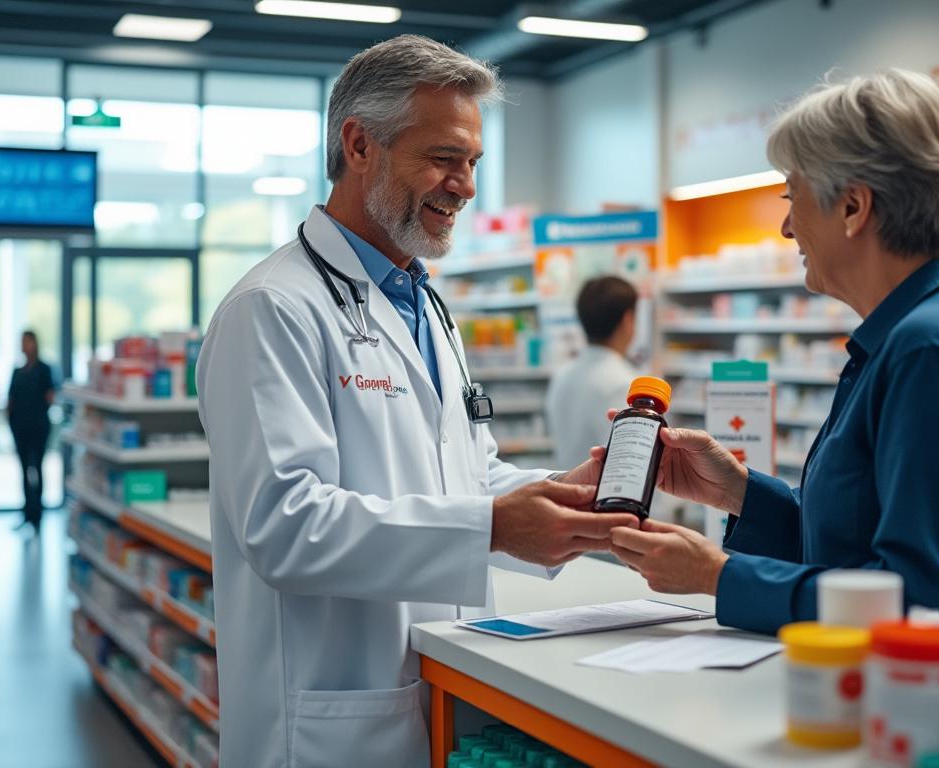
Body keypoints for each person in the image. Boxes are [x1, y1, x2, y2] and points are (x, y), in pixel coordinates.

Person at [197, 35, 638, 768]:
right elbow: (283, 524)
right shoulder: (273, 308)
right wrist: (494, 526)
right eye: (443, 158)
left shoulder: (423, 305)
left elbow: (466, 472)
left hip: (439, 688)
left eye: (471, 164)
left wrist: (558, 496)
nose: (463, 185)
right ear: (359, 143)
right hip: (328, 721)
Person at [607, 69, 939, 635]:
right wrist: (738, 492)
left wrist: (721, 577)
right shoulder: (904, 338)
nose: (788, 227)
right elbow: (858, 544)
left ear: (853, 208)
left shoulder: (933, 349)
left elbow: (921, 597)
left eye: (793, 199)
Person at [546, 276, 639, 470]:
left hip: (566, 490)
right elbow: (631, 465)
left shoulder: (562, 376)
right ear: (628, 319)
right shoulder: (625, 383)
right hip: (608, 496)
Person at [7, 330, 55, 535]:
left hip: (39, 426)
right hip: (20, 427)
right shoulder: (17, 371)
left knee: (38, 468)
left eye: (28, 341)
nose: (25, 345)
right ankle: (27, 513)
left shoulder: (44, 369)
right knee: (25, 470)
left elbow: (50, 396)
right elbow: (10, 400)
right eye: (22, 342)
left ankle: (38, 515)